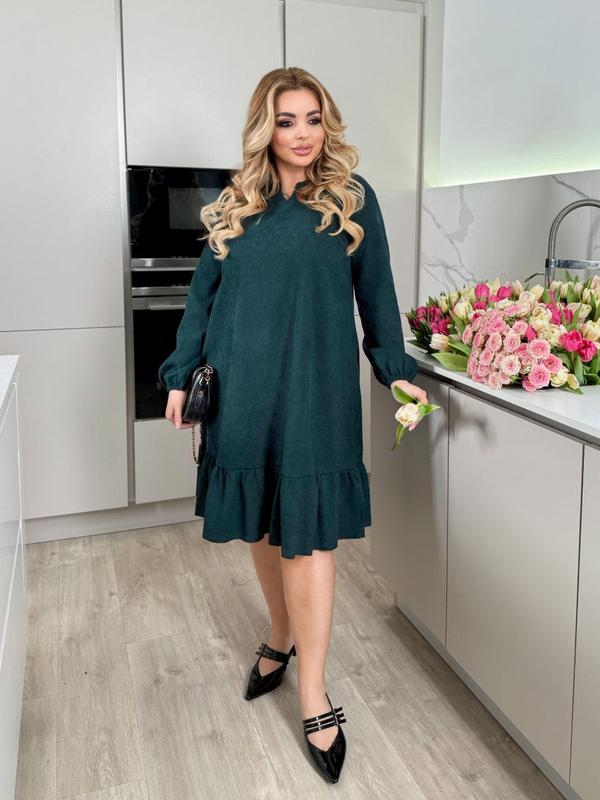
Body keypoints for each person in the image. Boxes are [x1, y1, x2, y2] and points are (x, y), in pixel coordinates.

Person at [157, 66, 428, 784]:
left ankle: (313, 690)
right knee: (262, 524)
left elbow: (377, 295)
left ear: (326, 123)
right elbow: (201, 300)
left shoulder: (350, 198)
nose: (303, 133)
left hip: (316, 388)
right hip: (242, 386)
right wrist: (181, 373)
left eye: (313, 118)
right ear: (264, 128)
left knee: (307, 536)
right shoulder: (234, 206)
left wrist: (394, 367)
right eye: (287, 120)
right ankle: (280, 632)